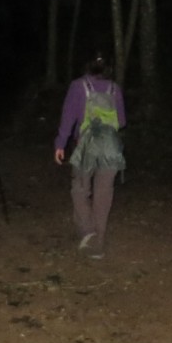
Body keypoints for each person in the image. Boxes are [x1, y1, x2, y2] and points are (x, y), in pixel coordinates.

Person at [54, 51, 126, 259]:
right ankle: (100, 238)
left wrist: (60, 143)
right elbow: (121, 121)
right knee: (104, 192)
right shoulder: (115, 89)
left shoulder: (78, 86)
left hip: (86, 144)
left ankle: (88, 232)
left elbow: (68, 117)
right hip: (111, 145)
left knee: (80, 189)